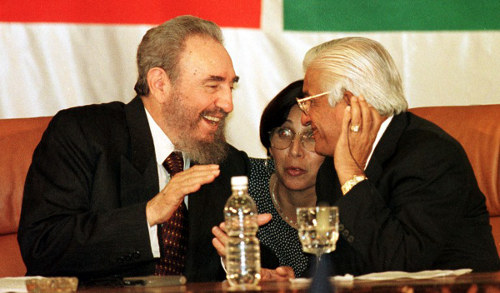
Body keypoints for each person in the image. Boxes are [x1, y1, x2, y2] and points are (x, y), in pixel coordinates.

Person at [17, 15, 271, 283]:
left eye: (230, 86)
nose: (228, 103)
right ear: (160, 84)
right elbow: (43, 245)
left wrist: (245, 264)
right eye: (213, 85)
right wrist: (149, 213)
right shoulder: (82, 134)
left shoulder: (227, 162)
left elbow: (232, 256)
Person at [296, 36, 499, 275]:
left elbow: (401, 266)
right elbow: (329, 261)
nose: (304, 118)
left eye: (310, 103)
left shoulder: (430, 156)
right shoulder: (332, 167)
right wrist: (296, 280)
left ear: (349, 102)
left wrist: (352, 176)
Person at [212, 80, 325, 278]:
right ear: (270, 145)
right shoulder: (241, 187)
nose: (295, 151)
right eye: (284, 133)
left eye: (311, 136)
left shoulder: (346, 202)